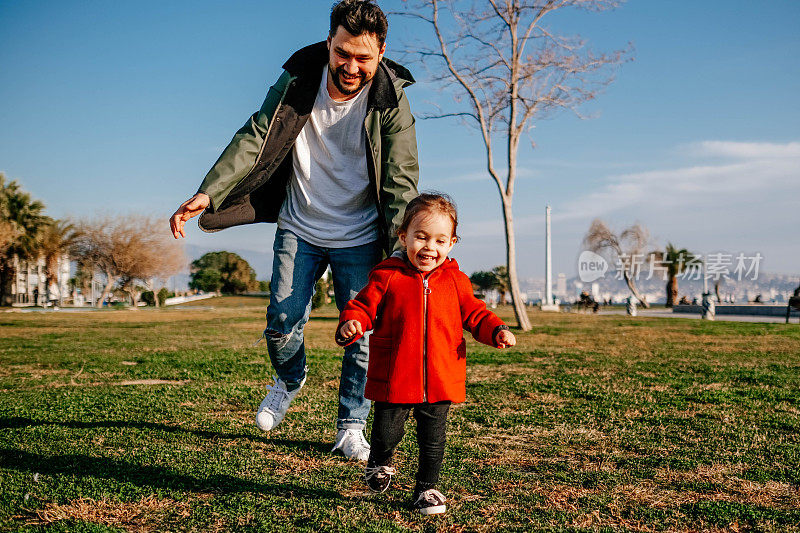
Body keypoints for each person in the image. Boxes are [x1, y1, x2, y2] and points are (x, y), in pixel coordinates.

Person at [169, 0, 419, 461]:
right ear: (330, 43)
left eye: (363, 57)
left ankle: (350, 426)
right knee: (281, 322)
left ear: (380, 54)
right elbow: (256, 134)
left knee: (361, 333)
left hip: (361, 236)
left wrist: (405, 241)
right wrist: (210, 191)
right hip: (299, 224)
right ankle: (289, 379)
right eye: (343, 52)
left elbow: (401, 177)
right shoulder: (299, 79)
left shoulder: (391, 98)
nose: (351, 65)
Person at [335, 193, 516, 515]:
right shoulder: (387, 275)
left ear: (452, 243)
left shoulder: (457, 281)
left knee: (433, 441)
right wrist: (353, 322)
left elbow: (476, 314)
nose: (429, 247)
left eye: (440, 240)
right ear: (403, 236)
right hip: (395, 375)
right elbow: (363, 306)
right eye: (421, 237)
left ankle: (427, 489)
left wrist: (497, 329)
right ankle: (379, 463)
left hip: (441, 376)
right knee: (387, 432)